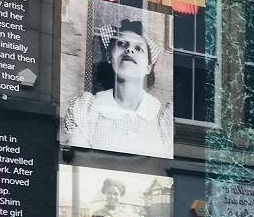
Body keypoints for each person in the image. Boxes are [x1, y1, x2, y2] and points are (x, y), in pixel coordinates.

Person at [62, 18, 174, 158]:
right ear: (109, 57)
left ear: (148, 67)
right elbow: (79, 162)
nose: (129, 50)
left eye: (138, 48)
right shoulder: (85, 110)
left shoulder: (163, 120)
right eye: (121, 44)